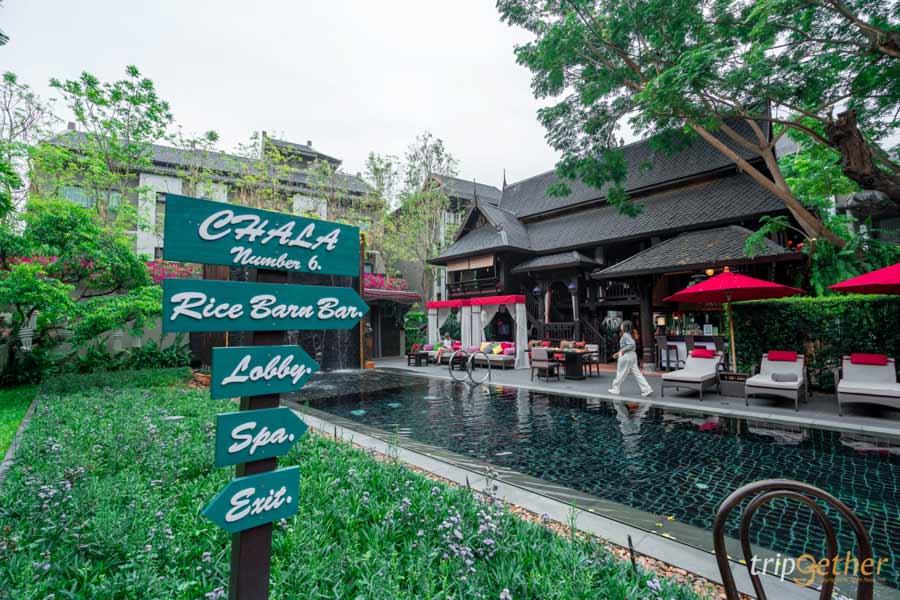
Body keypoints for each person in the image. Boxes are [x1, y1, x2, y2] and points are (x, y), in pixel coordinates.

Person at [608, 320, 653, 397]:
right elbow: (630, 346)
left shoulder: (625, 334)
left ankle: (616, 388)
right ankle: (647, 389)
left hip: (626, 356)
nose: (621, 325)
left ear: (625, 326)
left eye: (622, 324)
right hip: (632, 355)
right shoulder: (630, 334)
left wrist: (622, 350)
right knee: (637, 374)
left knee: (621, 373)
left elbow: (631, 345)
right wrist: (618, 353)